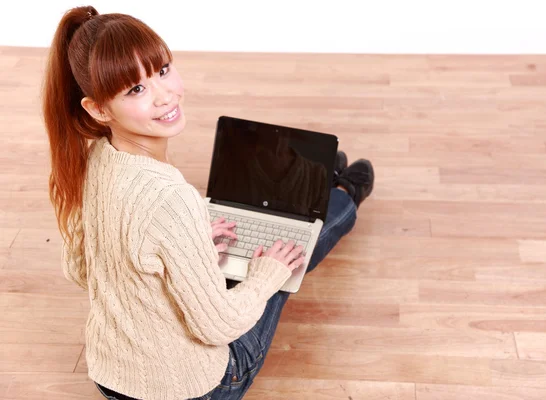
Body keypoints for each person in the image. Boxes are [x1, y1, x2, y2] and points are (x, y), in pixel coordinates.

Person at [42, 5, 375, 400]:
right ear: (97, 109)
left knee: (246, 256)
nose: (165, 96)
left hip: (111, 377)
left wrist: (183, 248)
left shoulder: (94, 159)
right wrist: (266, 275)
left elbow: (79, 268)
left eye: (162, 70)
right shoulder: (170, 198)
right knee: (280, 263)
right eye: (136, 89)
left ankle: (321, 180)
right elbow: (217, 327)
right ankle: (343, 195)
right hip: (197, 389)